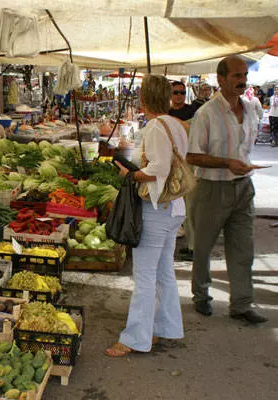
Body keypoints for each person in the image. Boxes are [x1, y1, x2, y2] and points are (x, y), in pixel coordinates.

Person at [105, 75, 188, 357]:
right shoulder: (176, 125)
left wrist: (130, 174)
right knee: (164, 271)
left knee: (144, 276)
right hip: (175, 208)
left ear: (143, 98)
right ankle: (164, 328)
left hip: (157, 207)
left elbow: (159, 168)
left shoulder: (154, 127)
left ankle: (135, 339)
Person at [186, 55, 267, 324]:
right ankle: (201, 296)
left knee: (243, 248)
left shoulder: (252, 109)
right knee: (203, 247)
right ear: (221, 79)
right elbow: (193, 156)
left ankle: (242, 303)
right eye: (236, 76)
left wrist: (241, 166)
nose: (243, 81)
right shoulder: (206, 113)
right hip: (212, 188)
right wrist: (227, 163)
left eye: (244, 76)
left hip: (243, 188)